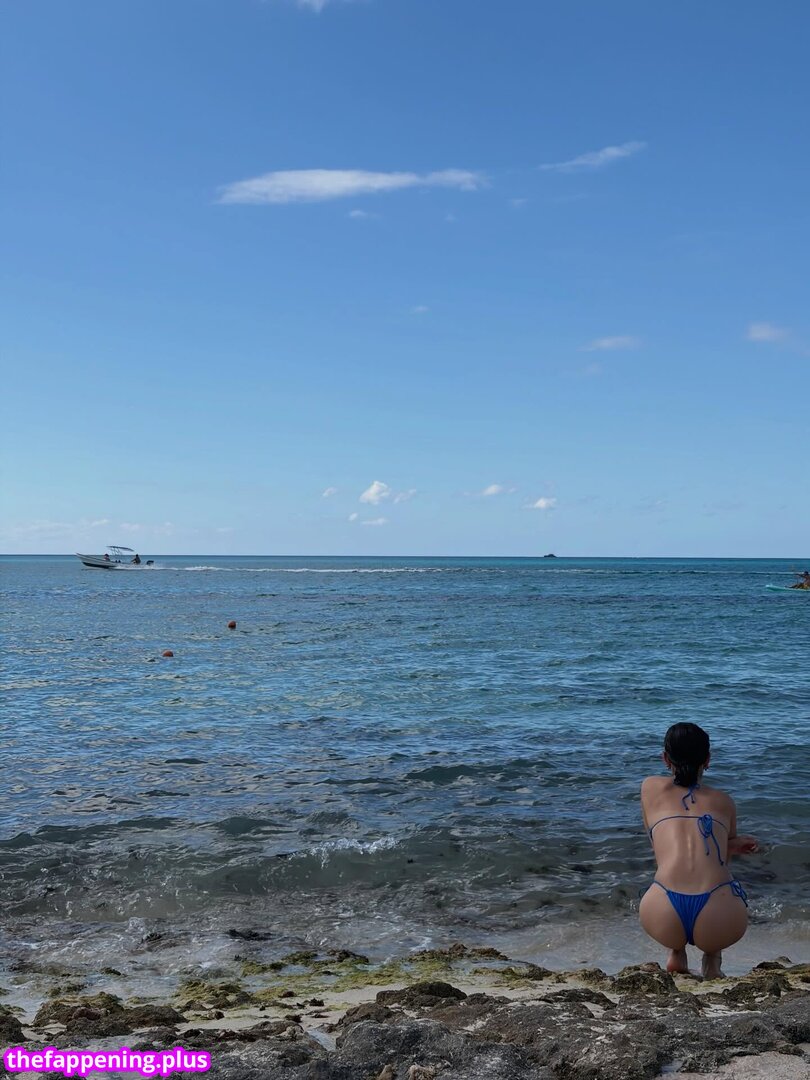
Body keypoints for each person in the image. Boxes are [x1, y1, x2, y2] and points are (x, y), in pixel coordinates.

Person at [638, 723, 758, 979]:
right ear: (708, 760)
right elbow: (721, 861)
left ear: (665, 759)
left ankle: (676, 953)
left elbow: (658, 843)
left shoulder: (650, 787)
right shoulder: (724, 801)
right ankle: (712, 961)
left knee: (668, 871)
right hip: (719, 918)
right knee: (722, 881)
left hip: (662, 913)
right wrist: (731, 845)